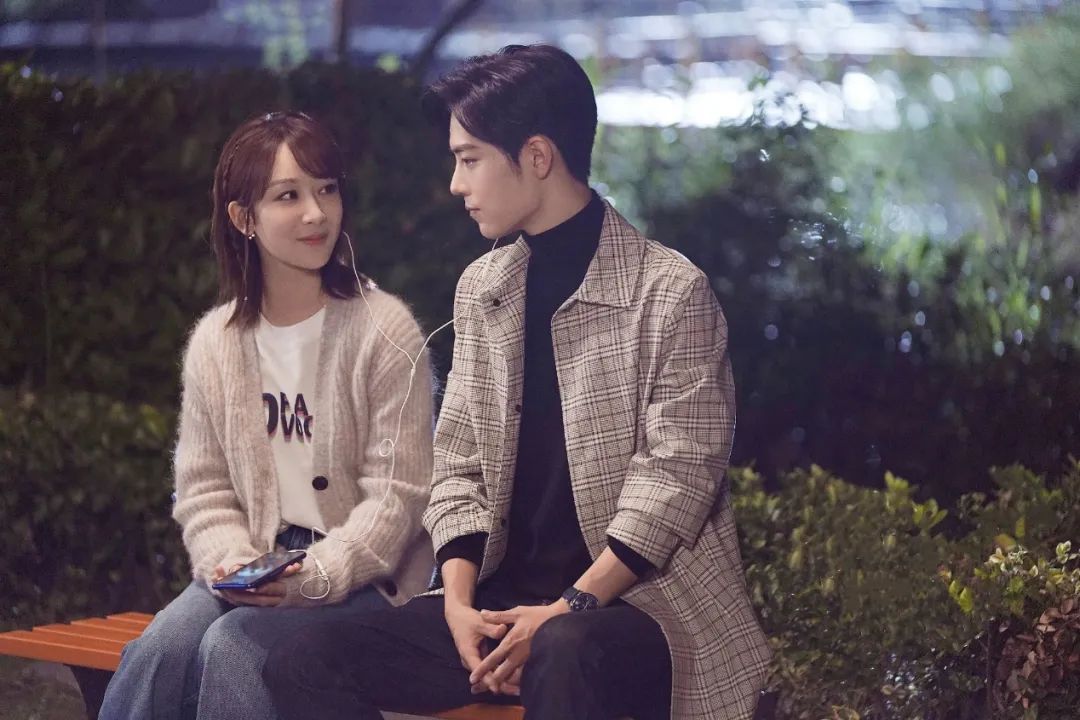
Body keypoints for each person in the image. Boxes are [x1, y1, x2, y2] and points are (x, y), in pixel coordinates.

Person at [264, 45, 771, 720]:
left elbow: (677, 479)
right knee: (302, 660)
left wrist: (568, 606)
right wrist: (457, 604)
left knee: (565, 651)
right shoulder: (485, 288)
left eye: (469, 158)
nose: (455, 183)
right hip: (500, 610)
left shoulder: (670, 292)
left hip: (635, 611)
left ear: (536, 156)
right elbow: (461, 464)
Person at [99, 110, 435, 720]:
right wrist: (229, 559)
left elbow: (398, 499)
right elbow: (204, 489)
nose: (316, 213)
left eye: (326, 189)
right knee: (159, 653)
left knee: (235, 648)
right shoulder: (217, 342)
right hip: (256, 565)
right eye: (288, 196)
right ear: (243, 218)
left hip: (367, 580)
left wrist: (314, 576)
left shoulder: (385, 331)